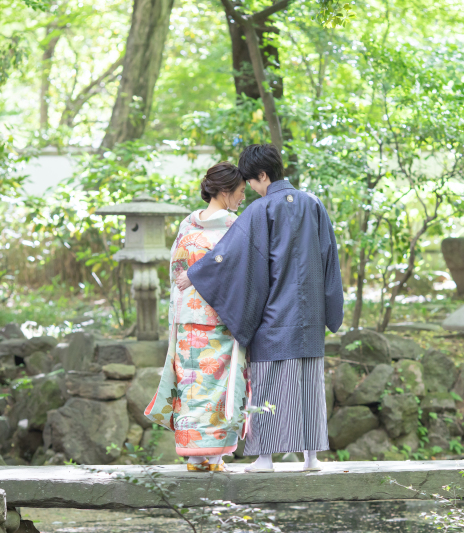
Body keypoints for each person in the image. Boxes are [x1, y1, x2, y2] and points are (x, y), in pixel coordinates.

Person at [179, 144, 344, 473]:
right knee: (310, 385)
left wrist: (195, 273)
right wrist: (330, 309)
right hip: (310, 318)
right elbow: (330, 260)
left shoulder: (260, 211)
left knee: (267, 385)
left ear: (263, 176)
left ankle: (265, 458)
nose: (251, 188)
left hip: (274, 318)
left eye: (252, 182)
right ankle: (312, 458)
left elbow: (230, 256)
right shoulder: (314, 205)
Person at [144, 162, 250, 473]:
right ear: (225, 191)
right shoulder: (235, 227)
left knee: (190, 386)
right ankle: (214, 457)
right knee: (218, 387)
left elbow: (175, 274)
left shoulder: (187, 226)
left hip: (186, 317)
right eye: (241, 192)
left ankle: (194, 456)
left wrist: (180, 308)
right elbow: (239, 273)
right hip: (219, 318)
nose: (243, 198)